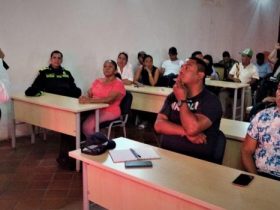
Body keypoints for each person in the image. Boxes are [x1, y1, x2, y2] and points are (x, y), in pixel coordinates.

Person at [154, 57, 223, 162]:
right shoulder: (173, 96)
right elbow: (158, 125)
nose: (181, 70)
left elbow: (192, 128)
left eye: (187, 68)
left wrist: (182, 100)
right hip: (167, 157)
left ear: (200, 75)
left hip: (197, 161)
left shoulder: (211, 101)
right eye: (182, 67)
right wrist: (185, 133)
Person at [25, 50, 82, 170]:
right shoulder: (44, 73)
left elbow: (76, 90)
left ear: (62, 60)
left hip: (67, 104)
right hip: (52, 106)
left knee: (73, 127)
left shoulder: (67, 73)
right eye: (54, 58)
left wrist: (68, 94)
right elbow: (32, 89)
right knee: (69, 129)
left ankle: (71, 156)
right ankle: (67, 158)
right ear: (50, 59)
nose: (57, 60)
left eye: (59, 58)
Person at [241, 82, 280, 181]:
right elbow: (247, 151)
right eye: (279, 89)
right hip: (262, 175)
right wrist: (256, 179)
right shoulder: (263, 116)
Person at [80, 60, 125, 138]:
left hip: (110, 110)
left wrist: (89, 100)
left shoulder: (118, 83)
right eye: (105, 66)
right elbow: (91, 94)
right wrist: (85, 98)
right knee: (75, 121)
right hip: (95, 108)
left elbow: (109, 100)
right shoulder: (98, 81)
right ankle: (89, 143)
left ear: (115, 70)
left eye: (110, 67)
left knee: (87, 127)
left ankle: (101, 145)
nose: (107, 69)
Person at [221, 48, 259, 117]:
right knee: (222, 93)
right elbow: (229, 75)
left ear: (249, 58)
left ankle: (247, 115)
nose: (242, 58)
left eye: (244, 56)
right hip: (233, 88)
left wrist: (245, 84)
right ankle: (223, 114)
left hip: (245, 88)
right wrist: (234, 79)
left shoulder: (254, 67)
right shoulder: (237, 65)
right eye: (242, 56)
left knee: (248, 93)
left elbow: (254, 79)